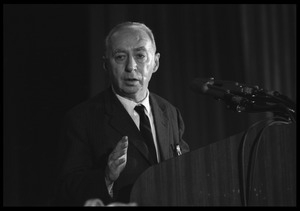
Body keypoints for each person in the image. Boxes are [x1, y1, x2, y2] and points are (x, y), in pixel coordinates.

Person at [56, 21, 190, 206]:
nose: (131, 66)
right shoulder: (81, 119)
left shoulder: (170, 112)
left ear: (156, 62)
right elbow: (68, 188)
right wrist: (106, 178)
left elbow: (186, 170)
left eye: (140, 55)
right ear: (106, 65)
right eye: (120, 57)